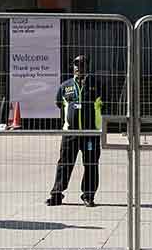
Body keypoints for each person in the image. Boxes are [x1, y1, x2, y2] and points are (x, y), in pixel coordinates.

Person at [47, 55, 102, 207]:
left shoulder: (96, 84)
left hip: (90, 133)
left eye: (82, 64)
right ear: (73, 67)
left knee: (91, 164)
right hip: (70, 133)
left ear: (87, 66)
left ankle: (88, 195)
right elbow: (60, 104)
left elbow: (104, 104)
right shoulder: (65, 86)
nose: (79, 67)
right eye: (76, 64)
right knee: (64, 163)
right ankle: (56, 194)